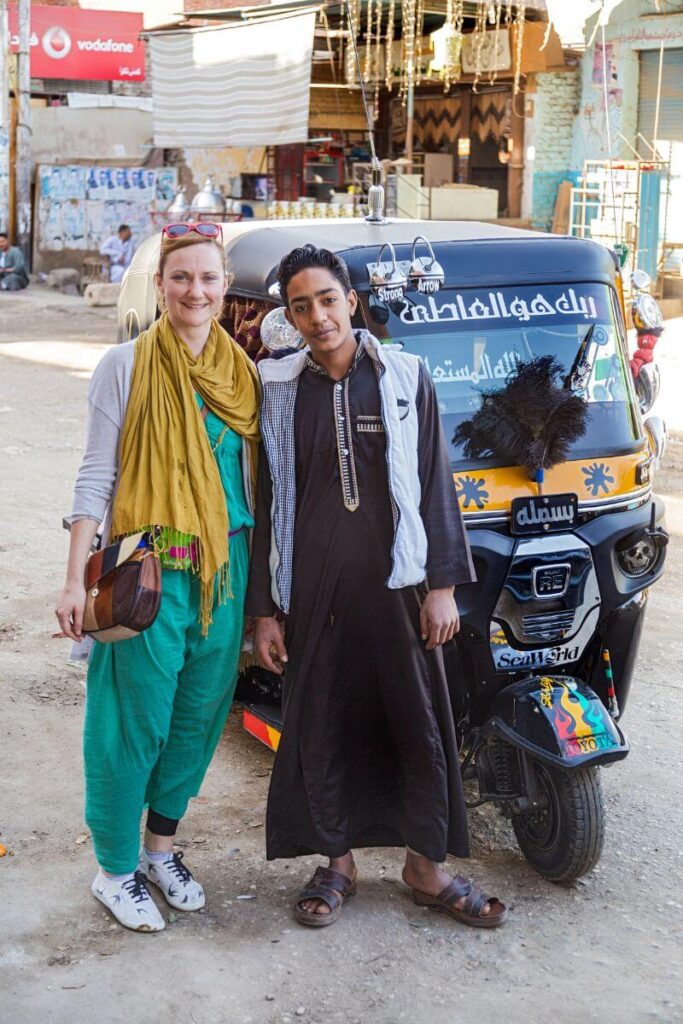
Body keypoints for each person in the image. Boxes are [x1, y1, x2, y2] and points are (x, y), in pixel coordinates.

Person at [247, 244, 507, 930]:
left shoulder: (403, 375)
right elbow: (267, 499)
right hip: (315, 593)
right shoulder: (279, 388)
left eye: (326, 299)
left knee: (415, 722)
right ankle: (336, 862)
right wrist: (266, 611)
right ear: (290, 316)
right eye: (299, 305)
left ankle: (426, 867)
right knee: (323, 721)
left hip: (398, 587)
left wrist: (443, 584)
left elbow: (433, 480)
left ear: (351, 301)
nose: (316, 315)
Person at [56, 223, 260, 932]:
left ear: (224, 287)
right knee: (129, 726)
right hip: (145, 573)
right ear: (159, 285)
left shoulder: (243, 372)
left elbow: (253, 483)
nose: (194, 292)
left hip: (221, 576)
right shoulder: (125, 365)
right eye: (180, 278)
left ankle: (158, 852)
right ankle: (114, 870)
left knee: (195, 723)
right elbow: (96, 474)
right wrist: (73, 579)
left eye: (207, 279)